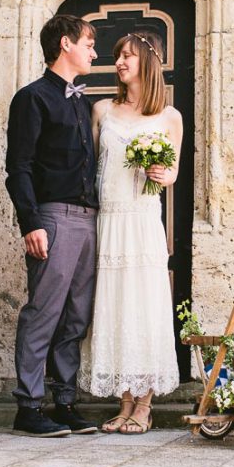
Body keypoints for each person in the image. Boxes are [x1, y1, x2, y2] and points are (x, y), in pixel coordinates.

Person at [79, 31, 182, 434]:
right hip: (108, 220)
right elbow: (90, 168)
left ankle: (145, 405)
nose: (119, 61)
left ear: (148, 62)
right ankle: (123, 402)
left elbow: (172, 170)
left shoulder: (169, 116)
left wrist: (163, 172)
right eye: (117, 55)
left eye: (127, 55)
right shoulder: (102, 110)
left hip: (142, 220)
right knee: (113, 306)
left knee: (144, 307)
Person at [5, 14, 100, 437]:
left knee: (76, 316)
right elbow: (18, 167)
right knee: (43, 313)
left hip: (88, 219)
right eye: (89, 44)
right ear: (65, 44)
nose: (94, 52)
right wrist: (31, 222)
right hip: (53, 218)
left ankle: (63, 402)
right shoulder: (32, 98)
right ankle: (29, 406)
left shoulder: (82, 102)